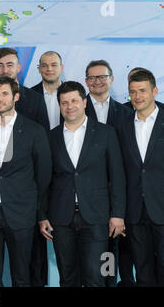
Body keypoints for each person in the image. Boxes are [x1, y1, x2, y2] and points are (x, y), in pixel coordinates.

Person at [39, 81, 126, 287]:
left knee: (96, 277)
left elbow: (118, 176)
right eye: (64, 102)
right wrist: (42, 215)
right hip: (61, 218)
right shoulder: (51, 137)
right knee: (68, 278)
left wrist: (118, 214)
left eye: (74, 101)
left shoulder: (106, 133)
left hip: (97, 218)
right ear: (59, 106)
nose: (70, 106)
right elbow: (44, 180)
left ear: (85, 102)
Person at [0, 47, 50, 287]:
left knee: (22, 277)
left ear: (16, 97)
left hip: (21, 213)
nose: (0, 99)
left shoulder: (34, 130)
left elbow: (42, 174)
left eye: (5, 94)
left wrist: (38, 210)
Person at [84, 59, 133, 287]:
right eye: (92, 78)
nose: (97, 82)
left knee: (112, 250)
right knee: (87, 257)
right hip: (87, 195)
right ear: (86, 82)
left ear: (111, 79)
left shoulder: (125, 113)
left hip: (117, 196)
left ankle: (110, 282)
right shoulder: (77, 109)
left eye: (102, 77)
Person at [115, 69, 164, 286]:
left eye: (142, 90)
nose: (138, 96)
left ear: (155, 91)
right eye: (133, 92)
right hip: (134, 213)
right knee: (142, 271)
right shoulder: (121, 125)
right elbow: (118, 172)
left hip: (162, 208)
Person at [31, 51, 64, 130]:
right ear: (39, 69)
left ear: (61, 68)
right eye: (44, 66)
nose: (49, 69)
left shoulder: (72, 93)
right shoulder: (30, 95)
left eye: (54, 65)